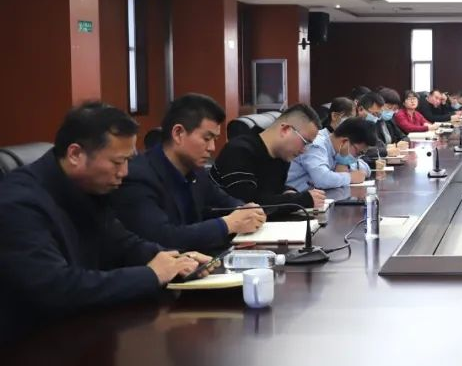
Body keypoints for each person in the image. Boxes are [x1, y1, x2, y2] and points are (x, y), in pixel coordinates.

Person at [0, 103, 211, 342]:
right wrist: (151, 275)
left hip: (83, 332)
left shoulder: (87, 187)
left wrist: (175, 260)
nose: (125, 172)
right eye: (117, 162)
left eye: (128, 161)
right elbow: (57, 288)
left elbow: (122, 243)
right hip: (30, 344)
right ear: (75, 154)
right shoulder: (18, 203)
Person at [113, 94, 266, 253]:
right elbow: (162, 238)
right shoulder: (138, 177)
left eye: (214, 139)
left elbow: (223, 201)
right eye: (206, 138)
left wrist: (245, 211)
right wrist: (228, 224)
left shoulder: (196, 171)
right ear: (178, 133)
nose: (212, 148)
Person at [211, 104, 327, 213]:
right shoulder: (239, 151)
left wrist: (287, 191)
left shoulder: (281, 156)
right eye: (305, 142)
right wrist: (301, 200)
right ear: (285, 129)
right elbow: (249, 206)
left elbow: (270, 192)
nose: (304, 150)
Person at [286, 117, 377, 200]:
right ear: (344, 141)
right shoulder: (316, 145)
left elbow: (366, 169)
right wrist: (350, 177)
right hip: (291, 200)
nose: (356, 158)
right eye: (358, 153)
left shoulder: (338, 152)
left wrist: (344, 164)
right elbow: (322, 179)